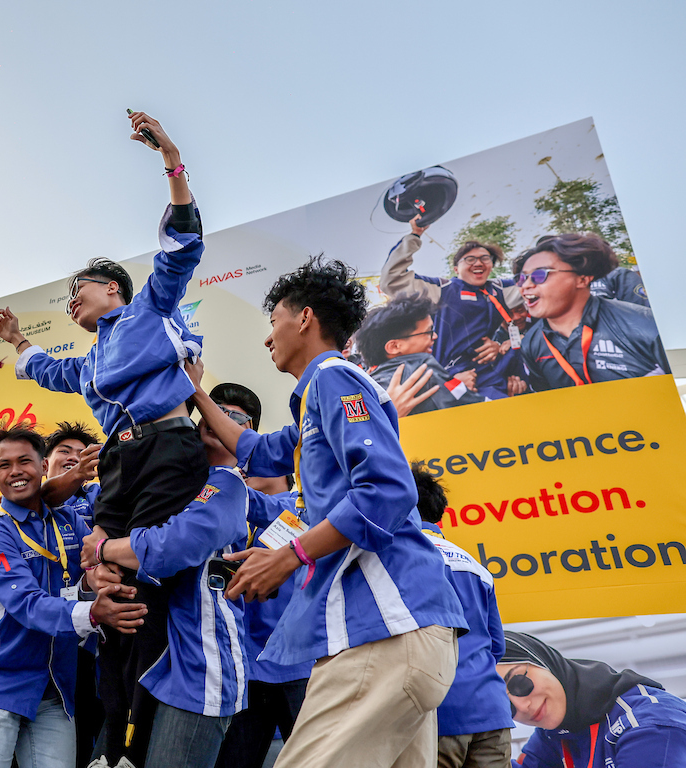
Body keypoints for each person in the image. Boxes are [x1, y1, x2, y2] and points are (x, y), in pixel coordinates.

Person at [0, 111, 209, 766]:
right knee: (104, 586)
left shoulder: (151, 307)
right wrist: (17, 341)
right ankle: (110, 746)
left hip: (169, 447)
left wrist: (169, 156)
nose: (70, 303)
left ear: (112, 289)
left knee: (142, 576)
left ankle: (145, 738)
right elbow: (46, 370)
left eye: (76, 291)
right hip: (119, 460)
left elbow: (183, 245)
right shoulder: (86, 366)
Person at [190, 257, 466, 768]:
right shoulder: (315, 401)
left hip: (385, 632)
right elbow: (259, 450)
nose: (268, 339)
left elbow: (384, 491)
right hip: (408, 639)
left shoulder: (335, 378)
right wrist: (195, 390)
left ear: (304, 319)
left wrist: (291, 556)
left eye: (273, 322)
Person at [0, 425, 146, 768]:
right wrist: (93, 613)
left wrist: (95, 584)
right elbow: (27, 605)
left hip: (56, 688)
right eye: (4, 465)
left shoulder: (70, 520)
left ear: (43, 467)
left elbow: (80, 581)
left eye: (25, 461)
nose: (15, 471)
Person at [81, 389, 251, 768]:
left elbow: (170, 548)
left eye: (231, 416)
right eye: (209, 410)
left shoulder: (228, 485)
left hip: (196, 670)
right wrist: (96, 572)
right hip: (147, 664)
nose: (214, 418)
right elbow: (101, 549)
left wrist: (103, 550)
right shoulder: (166, 483)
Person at [201, 384, 312, 768]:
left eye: (233, 419)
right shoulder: (217, 505)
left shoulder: (305, 509)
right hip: (240, 670)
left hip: (299, 665)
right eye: (213, 417)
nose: (220, 425)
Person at [412, 467, 512, 768]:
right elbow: (496, 647)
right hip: (492, 710)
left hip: (436, 713)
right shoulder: (475, 566)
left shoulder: (396, 560)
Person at [381, 216, 523, 399]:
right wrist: (415, 235)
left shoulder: (500, 290)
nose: (478, 263)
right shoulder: (442, 289)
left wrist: (506, 343)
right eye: (470, 259)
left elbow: (548, 292)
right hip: (446, 377)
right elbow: (391, 280)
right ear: (456, 268)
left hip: (490, 378)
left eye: (485, 258)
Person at [498, 631, 686, 766]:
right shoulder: (555, 732)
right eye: (502, 705)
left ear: (542, 659)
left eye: (519, 683)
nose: (523, 706)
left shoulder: (650, 724)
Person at [512, 232, 669, 390]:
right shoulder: (531, 343)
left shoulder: (647, 326)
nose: (525, 286)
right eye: (521, 278)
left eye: (540, 275)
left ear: (582, 278)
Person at [40, 420, 105, 767]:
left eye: (82, 455)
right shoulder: (24, 503)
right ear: (43, 462)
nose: (73, 458)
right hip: (36, 630)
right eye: (64, 452)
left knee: (82, 728)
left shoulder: (103, 496)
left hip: (90, 637)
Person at [357, 294, 488, 416]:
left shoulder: (365, 386)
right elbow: (480, 409)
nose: (435, 336)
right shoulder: (423, 367)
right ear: (395, 346)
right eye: (428, 332)